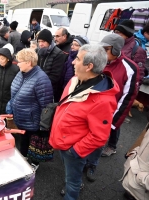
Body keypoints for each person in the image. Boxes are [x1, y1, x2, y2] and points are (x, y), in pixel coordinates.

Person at [49, 44, 119, 200]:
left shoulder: (102, 101)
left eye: (78, 59)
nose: (73, 62)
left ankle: (72, 193)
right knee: (69, 173)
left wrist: (74, 151)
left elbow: (100, 136)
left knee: (72, 181)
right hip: (63, 142)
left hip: (73, 150)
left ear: (89, 66)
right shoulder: (75, 80)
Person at [10, 48, 53, 171]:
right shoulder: (21, 73)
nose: (17, 63)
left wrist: (43, 126)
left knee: (35, 142)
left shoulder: (41, 79)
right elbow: (15, 92)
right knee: (24, 139)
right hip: (22, 117)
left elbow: (46, 105)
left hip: (33, 120)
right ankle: (23, 157)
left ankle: (35, 162)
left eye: (20, 61)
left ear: (29, 62)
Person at [98, 34, 139, 157]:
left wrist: (114, 121)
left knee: (113, 128)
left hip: (113, 109)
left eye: (106, 49)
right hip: (97, 108)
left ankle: (111, 146)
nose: (103, 53)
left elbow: (128, 97)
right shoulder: (100, 62)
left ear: (116, 49)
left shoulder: (130, 68)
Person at [37, 29, 68, 102]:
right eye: (39, 41)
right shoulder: (38, 51)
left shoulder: (58, 54)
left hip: (50, 90)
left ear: (49, 42)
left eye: (43, 41)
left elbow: (55, 76)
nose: (41, 44)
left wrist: (38, 83)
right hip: (37, 88)